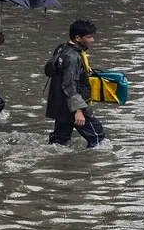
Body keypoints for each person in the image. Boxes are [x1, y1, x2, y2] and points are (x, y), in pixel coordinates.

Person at [45, 19, 106, 148]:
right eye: (89, 37)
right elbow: (70, 85)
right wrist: (78, 110)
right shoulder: (73, 58)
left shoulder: (62, 48)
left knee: (59, 140)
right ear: (78, 38)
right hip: (72, 105)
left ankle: (57, 162)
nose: (92, 40)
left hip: (60, 103)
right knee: (98, 136)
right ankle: (91, 164)